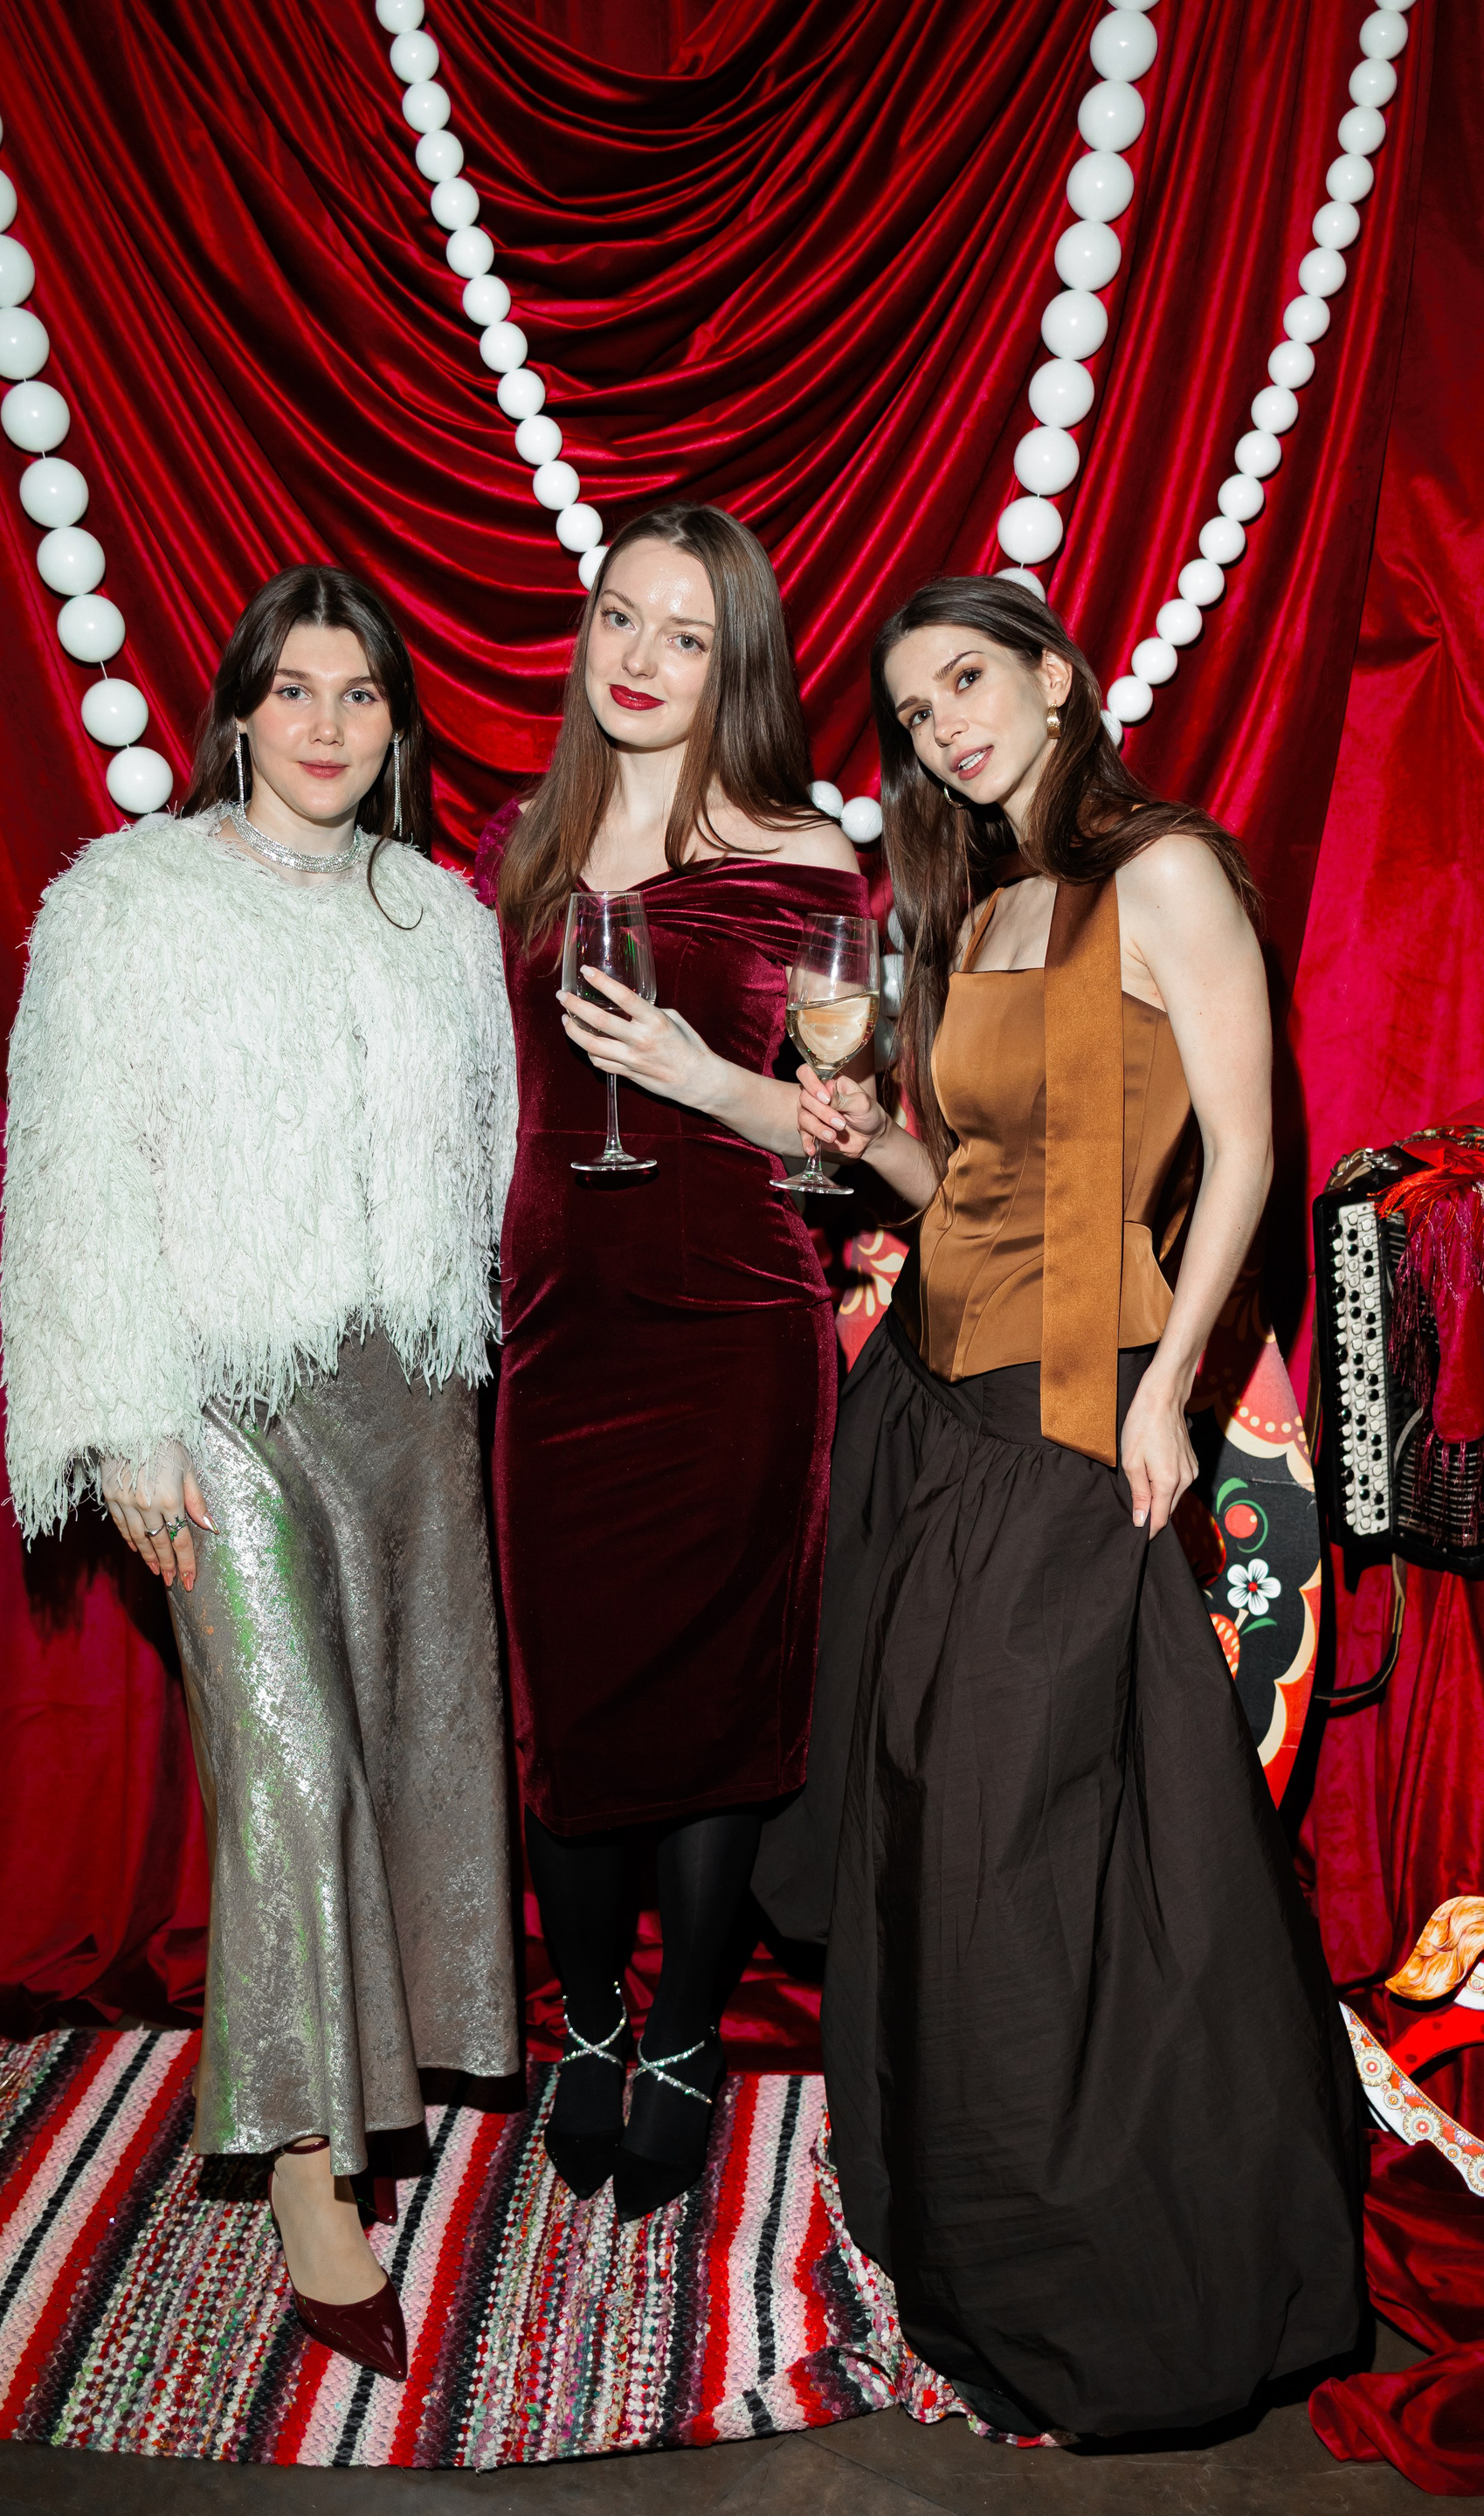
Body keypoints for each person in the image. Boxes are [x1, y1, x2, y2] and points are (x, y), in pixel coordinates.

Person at [761, 576, 1361, 2438]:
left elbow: (1247, 1152)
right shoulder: (980, 904)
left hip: (1077, 1404)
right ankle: (959, 2228)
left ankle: (1128, 2273)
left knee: (1015, 1824)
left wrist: (1169, 1390)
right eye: (912, 708)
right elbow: (979, 1181)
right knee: (924, 1812)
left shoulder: (1161, 870)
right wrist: (876, 1145)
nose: (945, 723)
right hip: (933, 1398)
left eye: (969, 678)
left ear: (1052, 676)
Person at [0, 563, 519, 2379]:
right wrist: (123, 1413)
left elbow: (491, 1159)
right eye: (293, 689)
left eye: (358, 695)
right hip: (221, 1399)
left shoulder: (440, 918)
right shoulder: (129, 904)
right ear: (237, 711)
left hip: (410, 1398)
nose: (324, 723)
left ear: (395, 728)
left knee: (407, 1754)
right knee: (289, 1774)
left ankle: (383, 2080)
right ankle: (311, 2178)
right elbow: (73, 1166)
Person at [474, 504, 866, 2220]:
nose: (639, 658)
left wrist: (704, 1079)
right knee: (569, 1710)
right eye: (620, 618)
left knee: (712, 1706)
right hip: (559, 1337)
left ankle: (688, 2039)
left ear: (736, 664)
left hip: (733, 1333)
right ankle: (590, 2022)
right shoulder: (525, 844)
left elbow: (844, 1138)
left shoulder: (806, 853)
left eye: (686, 635)